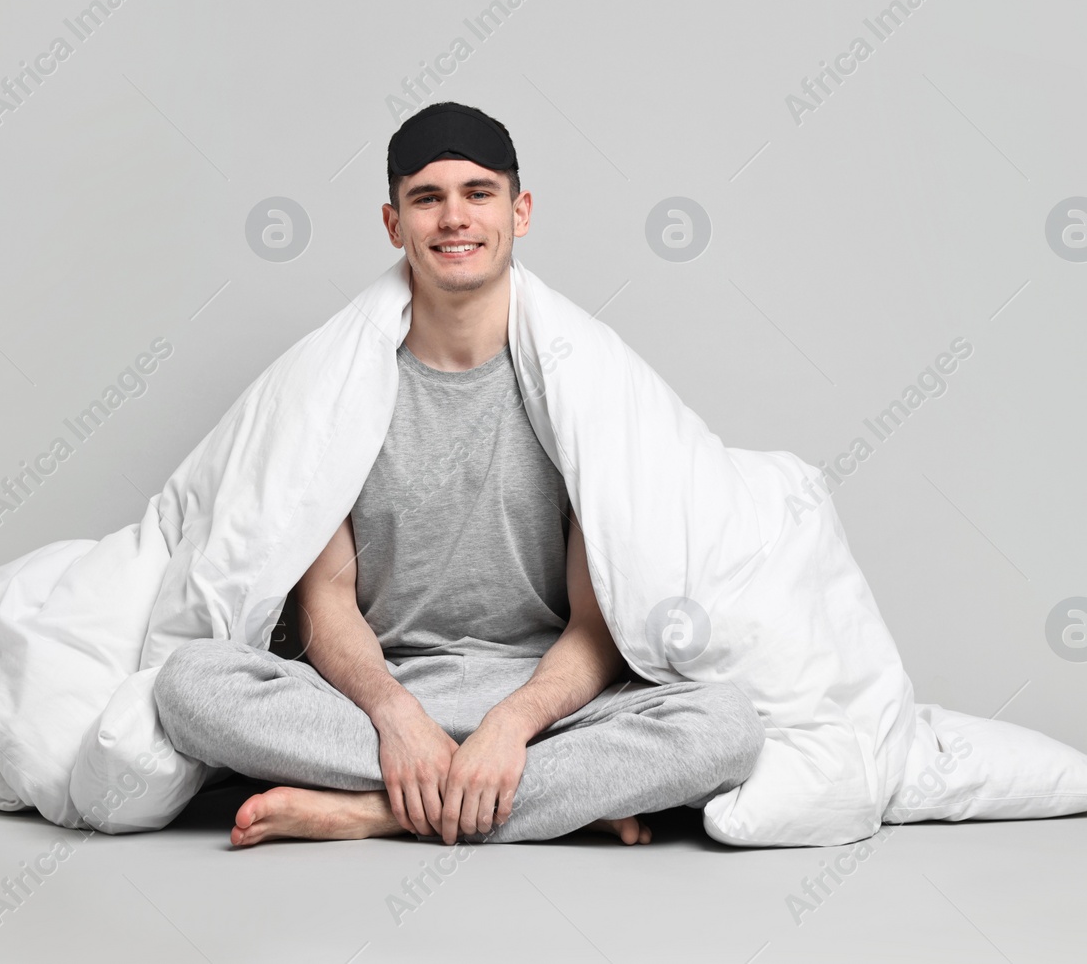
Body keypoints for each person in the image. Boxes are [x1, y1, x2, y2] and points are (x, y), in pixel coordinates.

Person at [154, 102, 764, 848]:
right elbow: (325, 603)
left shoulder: (579, 389)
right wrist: (395, 715)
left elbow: (597, 625)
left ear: (521, 210)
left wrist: (512, 723)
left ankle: (373, 811)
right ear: (392, 222)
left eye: (478, 193)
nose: (454, 218)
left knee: (725, 726)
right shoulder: (336, 388)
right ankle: (555, 799)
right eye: (427, 197)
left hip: (547, 705)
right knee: (191, 684)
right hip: (374, 697)